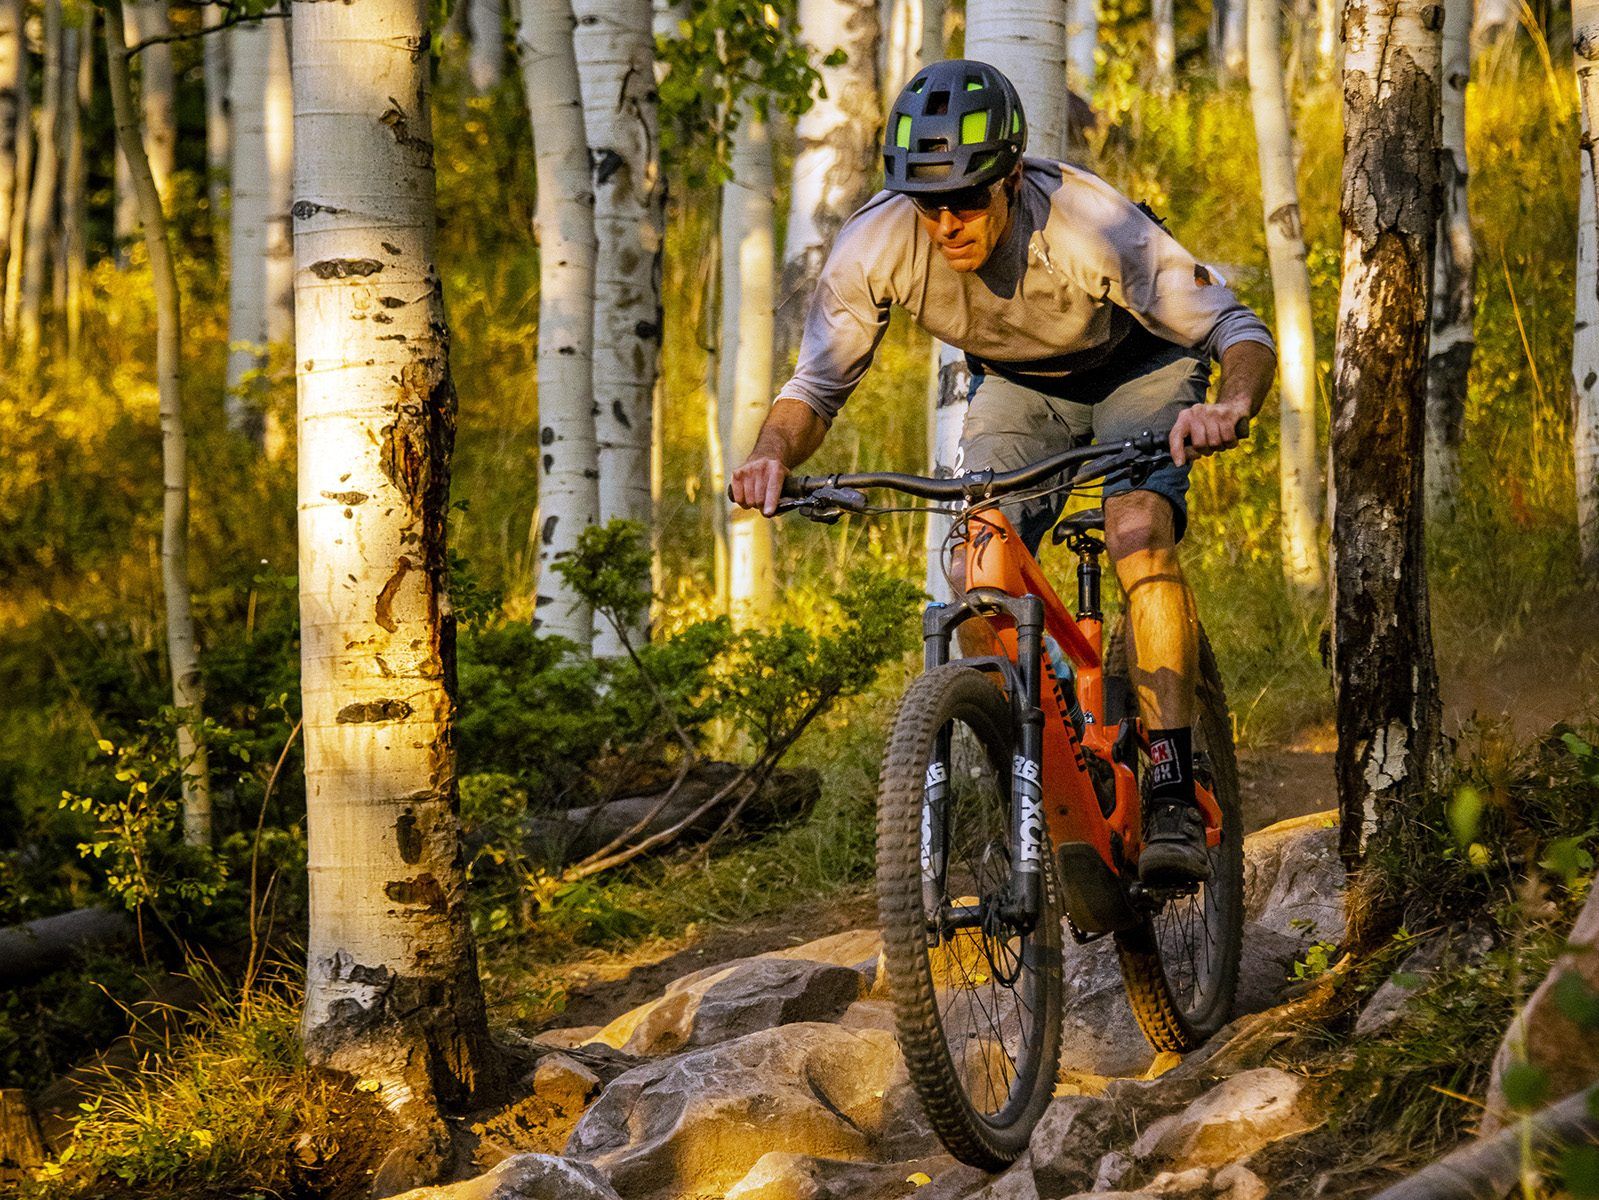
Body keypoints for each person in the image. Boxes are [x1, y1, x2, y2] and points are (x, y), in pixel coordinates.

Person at [729, 60, 1276, 885]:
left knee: (1135, 533)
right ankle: (1061, 746)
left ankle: (1167, 779)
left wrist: (1227, 407)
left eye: (965, 199)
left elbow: (1238, 328)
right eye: (927, 203)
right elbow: (813, 387)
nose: (946, 224)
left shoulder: (1087, 221)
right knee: (975, 563)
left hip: (1141, 367)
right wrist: (769, 455)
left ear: (1010, 179)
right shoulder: (875, 245)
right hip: (1020, 386)